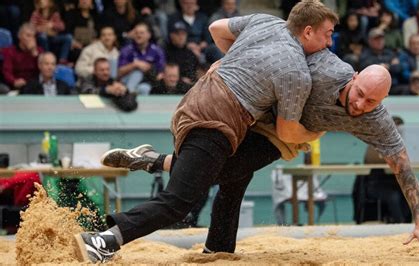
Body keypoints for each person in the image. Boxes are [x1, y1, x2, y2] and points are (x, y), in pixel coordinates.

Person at [101, 50, 419, 256]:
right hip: (254, 109)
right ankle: (209, 239)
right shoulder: (324, 67)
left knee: (231, 174)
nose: (360, 105)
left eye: (371, 102)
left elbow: (401, 164)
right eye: (360, 94)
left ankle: (158, 169)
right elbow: (274, 48)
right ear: (354, 77)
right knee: (217, 177)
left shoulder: (375, 118)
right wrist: (229, 63)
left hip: (280, 138)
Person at [74, 1, 339, 262]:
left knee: (236, 177)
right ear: (307, 31)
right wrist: (314, 134)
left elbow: (215, 28)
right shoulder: (296, 70)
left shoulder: (266, 21)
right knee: (180, 201)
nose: (329, 43)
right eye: (327, 35)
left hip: (199, 98)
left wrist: (232, 61)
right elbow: (288, 131)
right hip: (216, 120)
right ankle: (103, 240)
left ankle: (218, 248)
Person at [353, 116, 411, 224]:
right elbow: (372, 160)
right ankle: (401, 224)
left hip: (395, 184)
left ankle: (409, 223)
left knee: (409, 193)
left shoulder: (405, 146)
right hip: (376, 185)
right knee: (394, 196)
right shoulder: (377, 143)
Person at [118, 22, 166, 95]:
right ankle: (129, 92)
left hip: (147, 82)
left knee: (144, 88)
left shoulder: (157, 51)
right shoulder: (127, 50)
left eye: (141, 33)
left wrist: (149, 68)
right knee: (137, 72)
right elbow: (119, 73)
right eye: (136, 33)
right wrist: (135, 65)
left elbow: (161, 72)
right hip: (126, 81)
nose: (138, 35)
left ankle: (130, 93)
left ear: (149, 35)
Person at [2, 23, 43, 92]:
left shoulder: (39, 51)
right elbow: (7, 71)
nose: (30, 39)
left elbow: (44, 72)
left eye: (33, 36)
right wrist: (14, 81)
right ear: (19, 36)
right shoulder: (10, 51)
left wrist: (35, 55)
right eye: (28, 35)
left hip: (33, 85)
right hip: (14, 85)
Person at [30, 0, 73, 64]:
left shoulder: (55, 14)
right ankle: (47, 58)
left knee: (68, 37)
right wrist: (42, 28)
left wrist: (52, 25)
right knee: (43, 36)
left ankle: (62, 60)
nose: (42, 1)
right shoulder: (36, 13)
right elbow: (31, 27)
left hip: (53, 36)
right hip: (42, 36)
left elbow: (62, 26)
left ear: (50, 3)